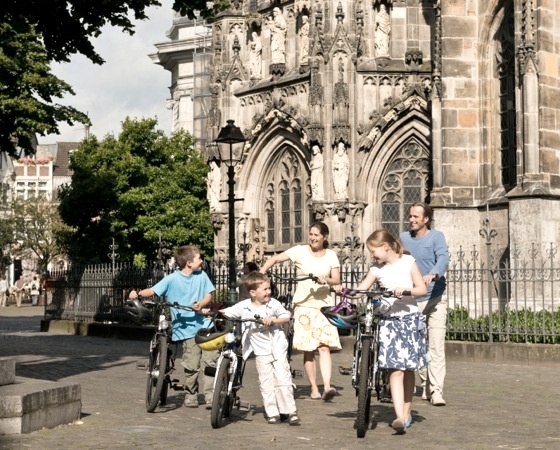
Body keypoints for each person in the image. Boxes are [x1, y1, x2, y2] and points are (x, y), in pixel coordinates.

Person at [335, 229, 428, 434]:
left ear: (386, 247)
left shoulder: (408, 262)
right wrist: (344, 290)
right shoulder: (376, 269)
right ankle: (400, 417)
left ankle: (406, 412)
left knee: (408, 369)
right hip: (389, 321)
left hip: (409, 319)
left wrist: (405, 291)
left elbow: (421, 289)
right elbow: (360, 292)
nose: (372, 255)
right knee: (395, 369)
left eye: (373, 251)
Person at [129, 245, 218, 409]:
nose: (202, 261)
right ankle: (191, 395)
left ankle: (210, 396)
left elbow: (209, 295)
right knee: (192, 364)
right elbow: (154, 291)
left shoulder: (202, 275)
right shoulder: (172, 279)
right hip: (185, 329)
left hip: (205, 325)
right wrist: (138, 294)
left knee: (210, 362)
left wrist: (202, 303)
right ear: (189, 263)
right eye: (199, 258)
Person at [260, 222, 341, 401]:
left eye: (316, 235)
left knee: (324, 347)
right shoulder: (299, 251)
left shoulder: (331, 256)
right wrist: (262, 271)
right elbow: (275, 259)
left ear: (324, 237)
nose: (312, 238)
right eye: (310, 234)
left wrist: (326, 279)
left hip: (324, 307)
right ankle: (314, 387)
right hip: (304, 306)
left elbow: (336, 280)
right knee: (309, 349)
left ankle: (327, 386)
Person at [218, 272, 300, 425]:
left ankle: (290, 411)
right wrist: (213, 311)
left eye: (269, 289)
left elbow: (286, 316)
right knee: (266, 381)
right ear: (253, 293)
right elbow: (228, 312)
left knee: (283, 379)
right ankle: (272, 412)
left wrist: (273, 320)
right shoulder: (244, 306)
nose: (269, 292)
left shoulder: (273, 303)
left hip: (277, 347)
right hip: (260, 351)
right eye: (265, 289)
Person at [400, 202, 449, 407]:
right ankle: (425, 382)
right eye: (410, 216)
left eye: (416, 217)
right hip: (414, 299)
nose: (411, 220)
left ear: (426, 219)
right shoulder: (403, 238)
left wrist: (434, 274)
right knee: (417, 345)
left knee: (436, 345)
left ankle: (436, 390)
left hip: (436, 297)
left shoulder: (436, 237)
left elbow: (444, 258)